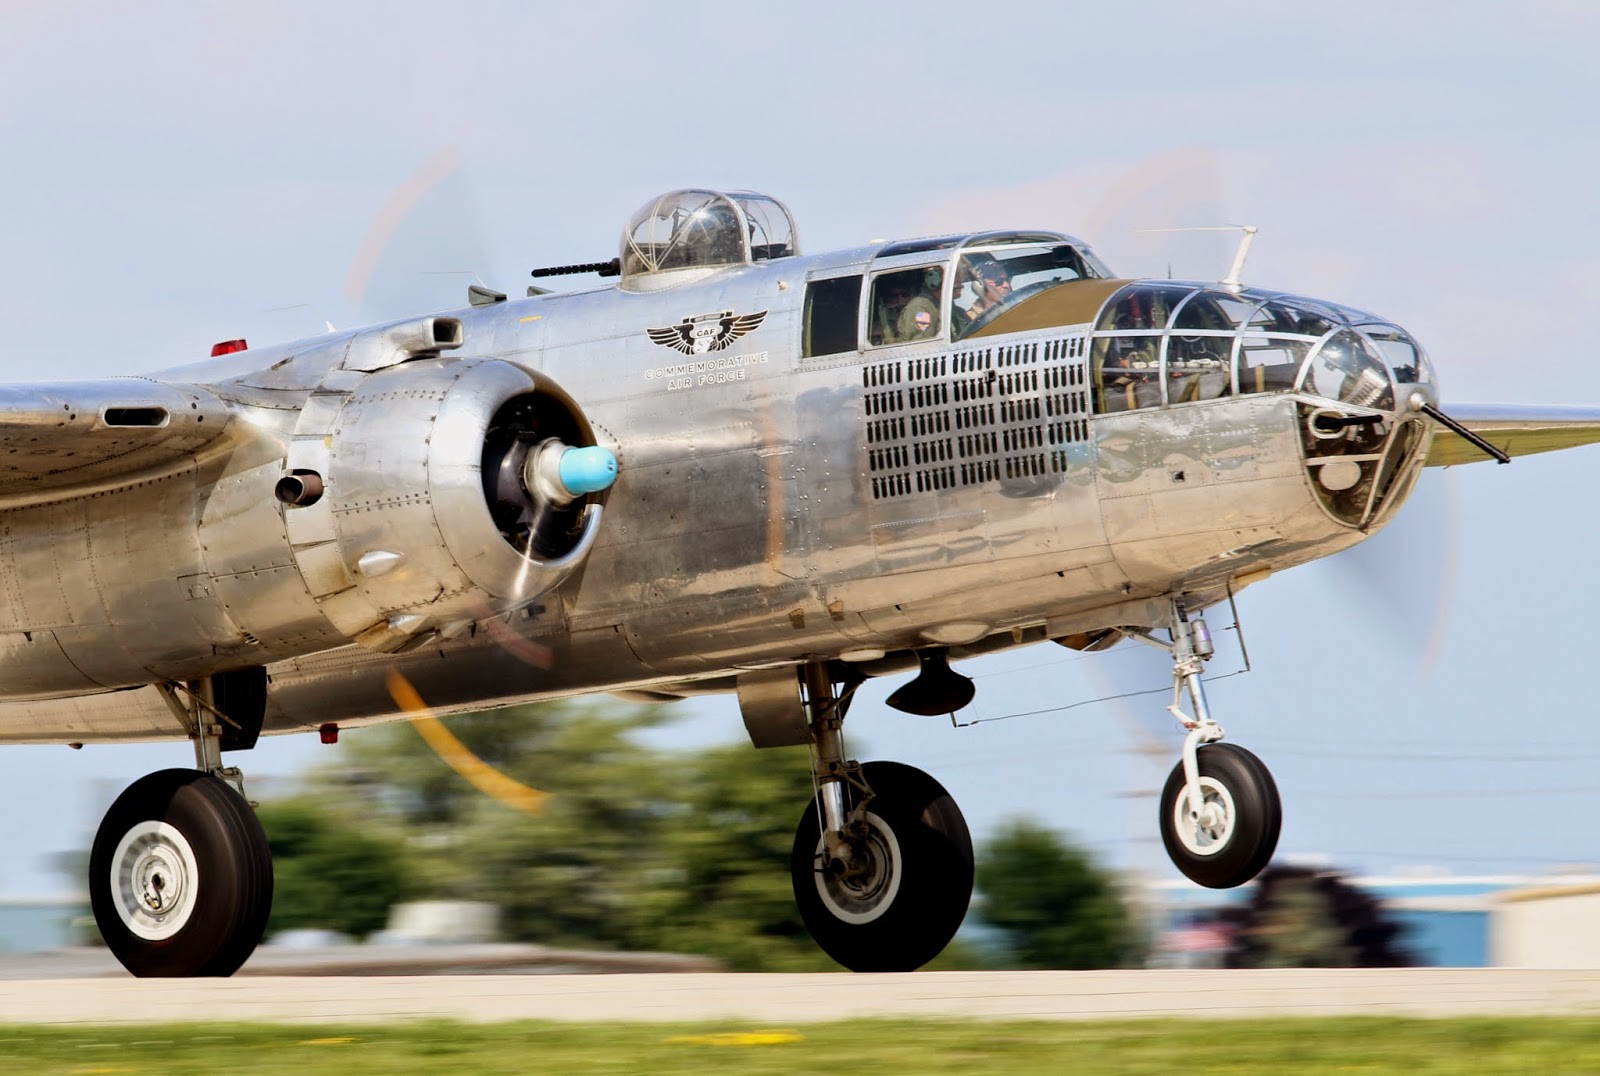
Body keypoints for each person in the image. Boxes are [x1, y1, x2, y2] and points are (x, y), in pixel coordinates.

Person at [965, 259, 1012, 324]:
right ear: (979, 287)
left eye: (1007, 280)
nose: (1006, 285)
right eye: (999, 281)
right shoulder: (970, 321)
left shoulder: (1016, 310)